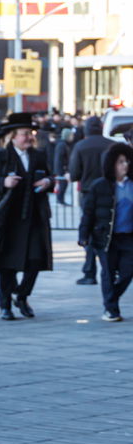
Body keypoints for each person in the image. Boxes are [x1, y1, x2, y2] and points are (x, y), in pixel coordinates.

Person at [0, 112, 54, 320]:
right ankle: (5, 305)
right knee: (6, 265)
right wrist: (2, 183)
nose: (29, 137)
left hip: (34, 216)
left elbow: (49, 176)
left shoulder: (39, 156)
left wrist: (48, 183)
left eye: (30, 133)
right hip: (7, 219)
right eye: (25, 134)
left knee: (35, 261)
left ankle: (22, 296)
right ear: (13, 136)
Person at [78, 141, 133, 323]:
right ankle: (111, 309)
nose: (125, 165)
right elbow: (89, 212)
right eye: (121, 162)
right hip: (106, 237)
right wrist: (84, 235)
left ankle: (112, 298)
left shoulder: (131, 185)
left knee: (127, 272)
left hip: (129, 237)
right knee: (108, 273)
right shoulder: (99, 186)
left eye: (127, 161)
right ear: (112, 165)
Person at [68, 115, 113, 286]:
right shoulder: (110, 145)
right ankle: (110, 269)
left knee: (88, 230)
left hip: (87, 192)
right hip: (109, 192)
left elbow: (74, 174)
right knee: (109, 230)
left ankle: (89, 271)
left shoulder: (80, 146)